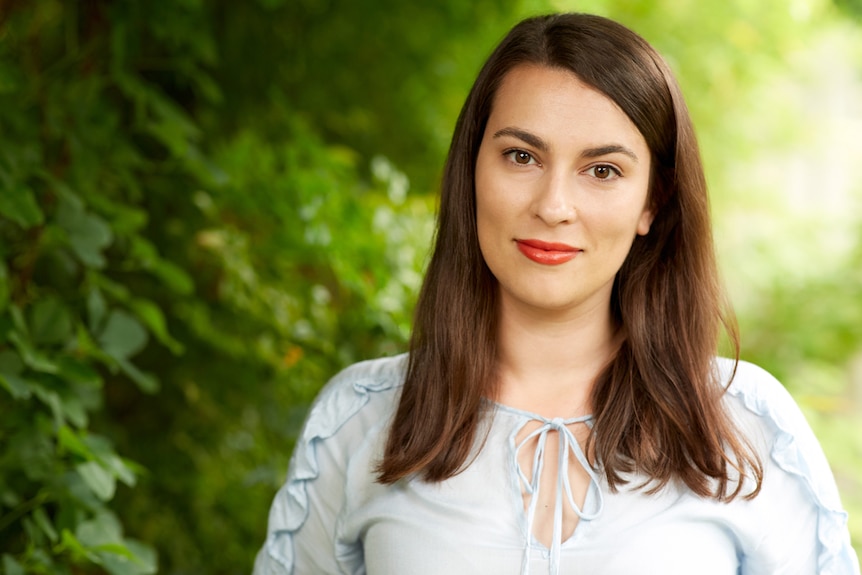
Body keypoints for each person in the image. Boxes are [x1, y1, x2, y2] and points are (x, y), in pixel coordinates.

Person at [253, 13, 859, 575]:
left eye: (602, 171)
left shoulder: (746, 428)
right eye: (521, 157)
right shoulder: (360, 420)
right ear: (471, 172)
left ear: (654, 201)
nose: (553, 206)